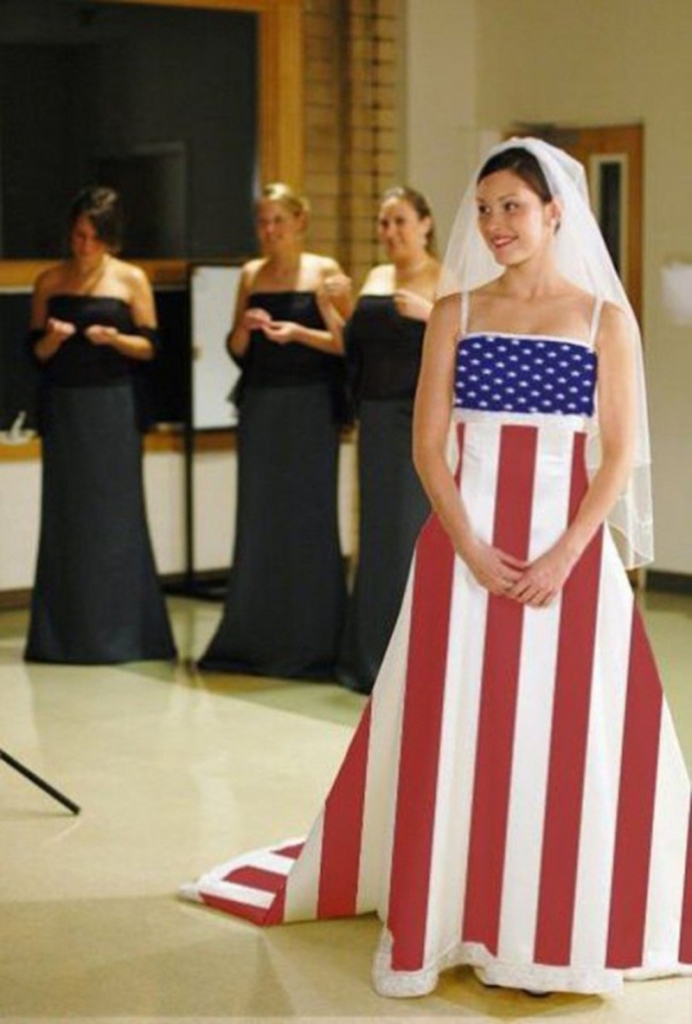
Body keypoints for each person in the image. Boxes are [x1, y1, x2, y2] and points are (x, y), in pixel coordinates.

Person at [181, 140, 692, 997]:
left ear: (555, 212)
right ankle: (451, 910)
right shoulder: (456, 310)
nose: (495, 225)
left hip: (568, 563)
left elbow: (620, 454)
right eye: (484, 209)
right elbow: (426, 448)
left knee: (558, 737)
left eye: (513, 209)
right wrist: (471, 547)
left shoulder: (605, 317)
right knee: (464, 729)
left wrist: (564, 555)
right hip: (463, 556)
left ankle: (551, 920)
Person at [198, 183, 351, 679]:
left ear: (299, 221)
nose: (269, 231)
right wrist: (245, 327)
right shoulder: (250, 273)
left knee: (309, 514)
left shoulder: (324, 270)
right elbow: (238, 350)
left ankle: (315, 636)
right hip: (261, 405)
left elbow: (346, 346)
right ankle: (256, 632)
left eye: (277, 222)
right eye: (262, 222)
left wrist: (297, 333)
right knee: (261, 515)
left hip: (310, 406)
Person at [25, 185, 176, 664]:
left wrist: (115, 339)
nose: (83, 245)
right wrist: (52, 339)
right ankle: (63, 634)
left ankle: (125, 632)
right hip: (66, 408)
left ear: (109, 238)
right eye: (77, 236)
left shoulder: (131, 279)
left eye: (93, 237)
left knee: (116, 517)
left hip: (113, 408)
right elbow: (35, 355)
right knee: (68, 517)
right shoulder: (50, 281)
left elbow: (150, 348)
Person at [335, 186, 439, 694]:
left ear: (425, 224)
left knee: (406, 530)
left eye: (399, 221)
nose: (390, 232)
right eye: (383, 223)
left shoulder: (446, 278)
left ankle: (411, 659)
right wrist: (332, 308)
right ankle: (368, 652)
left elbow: (468, 347)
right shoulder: (376, 276)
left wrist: (432, 315)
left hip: (416, 419)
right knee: (374, 530)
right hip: (374, 417)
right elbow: (350, 347)